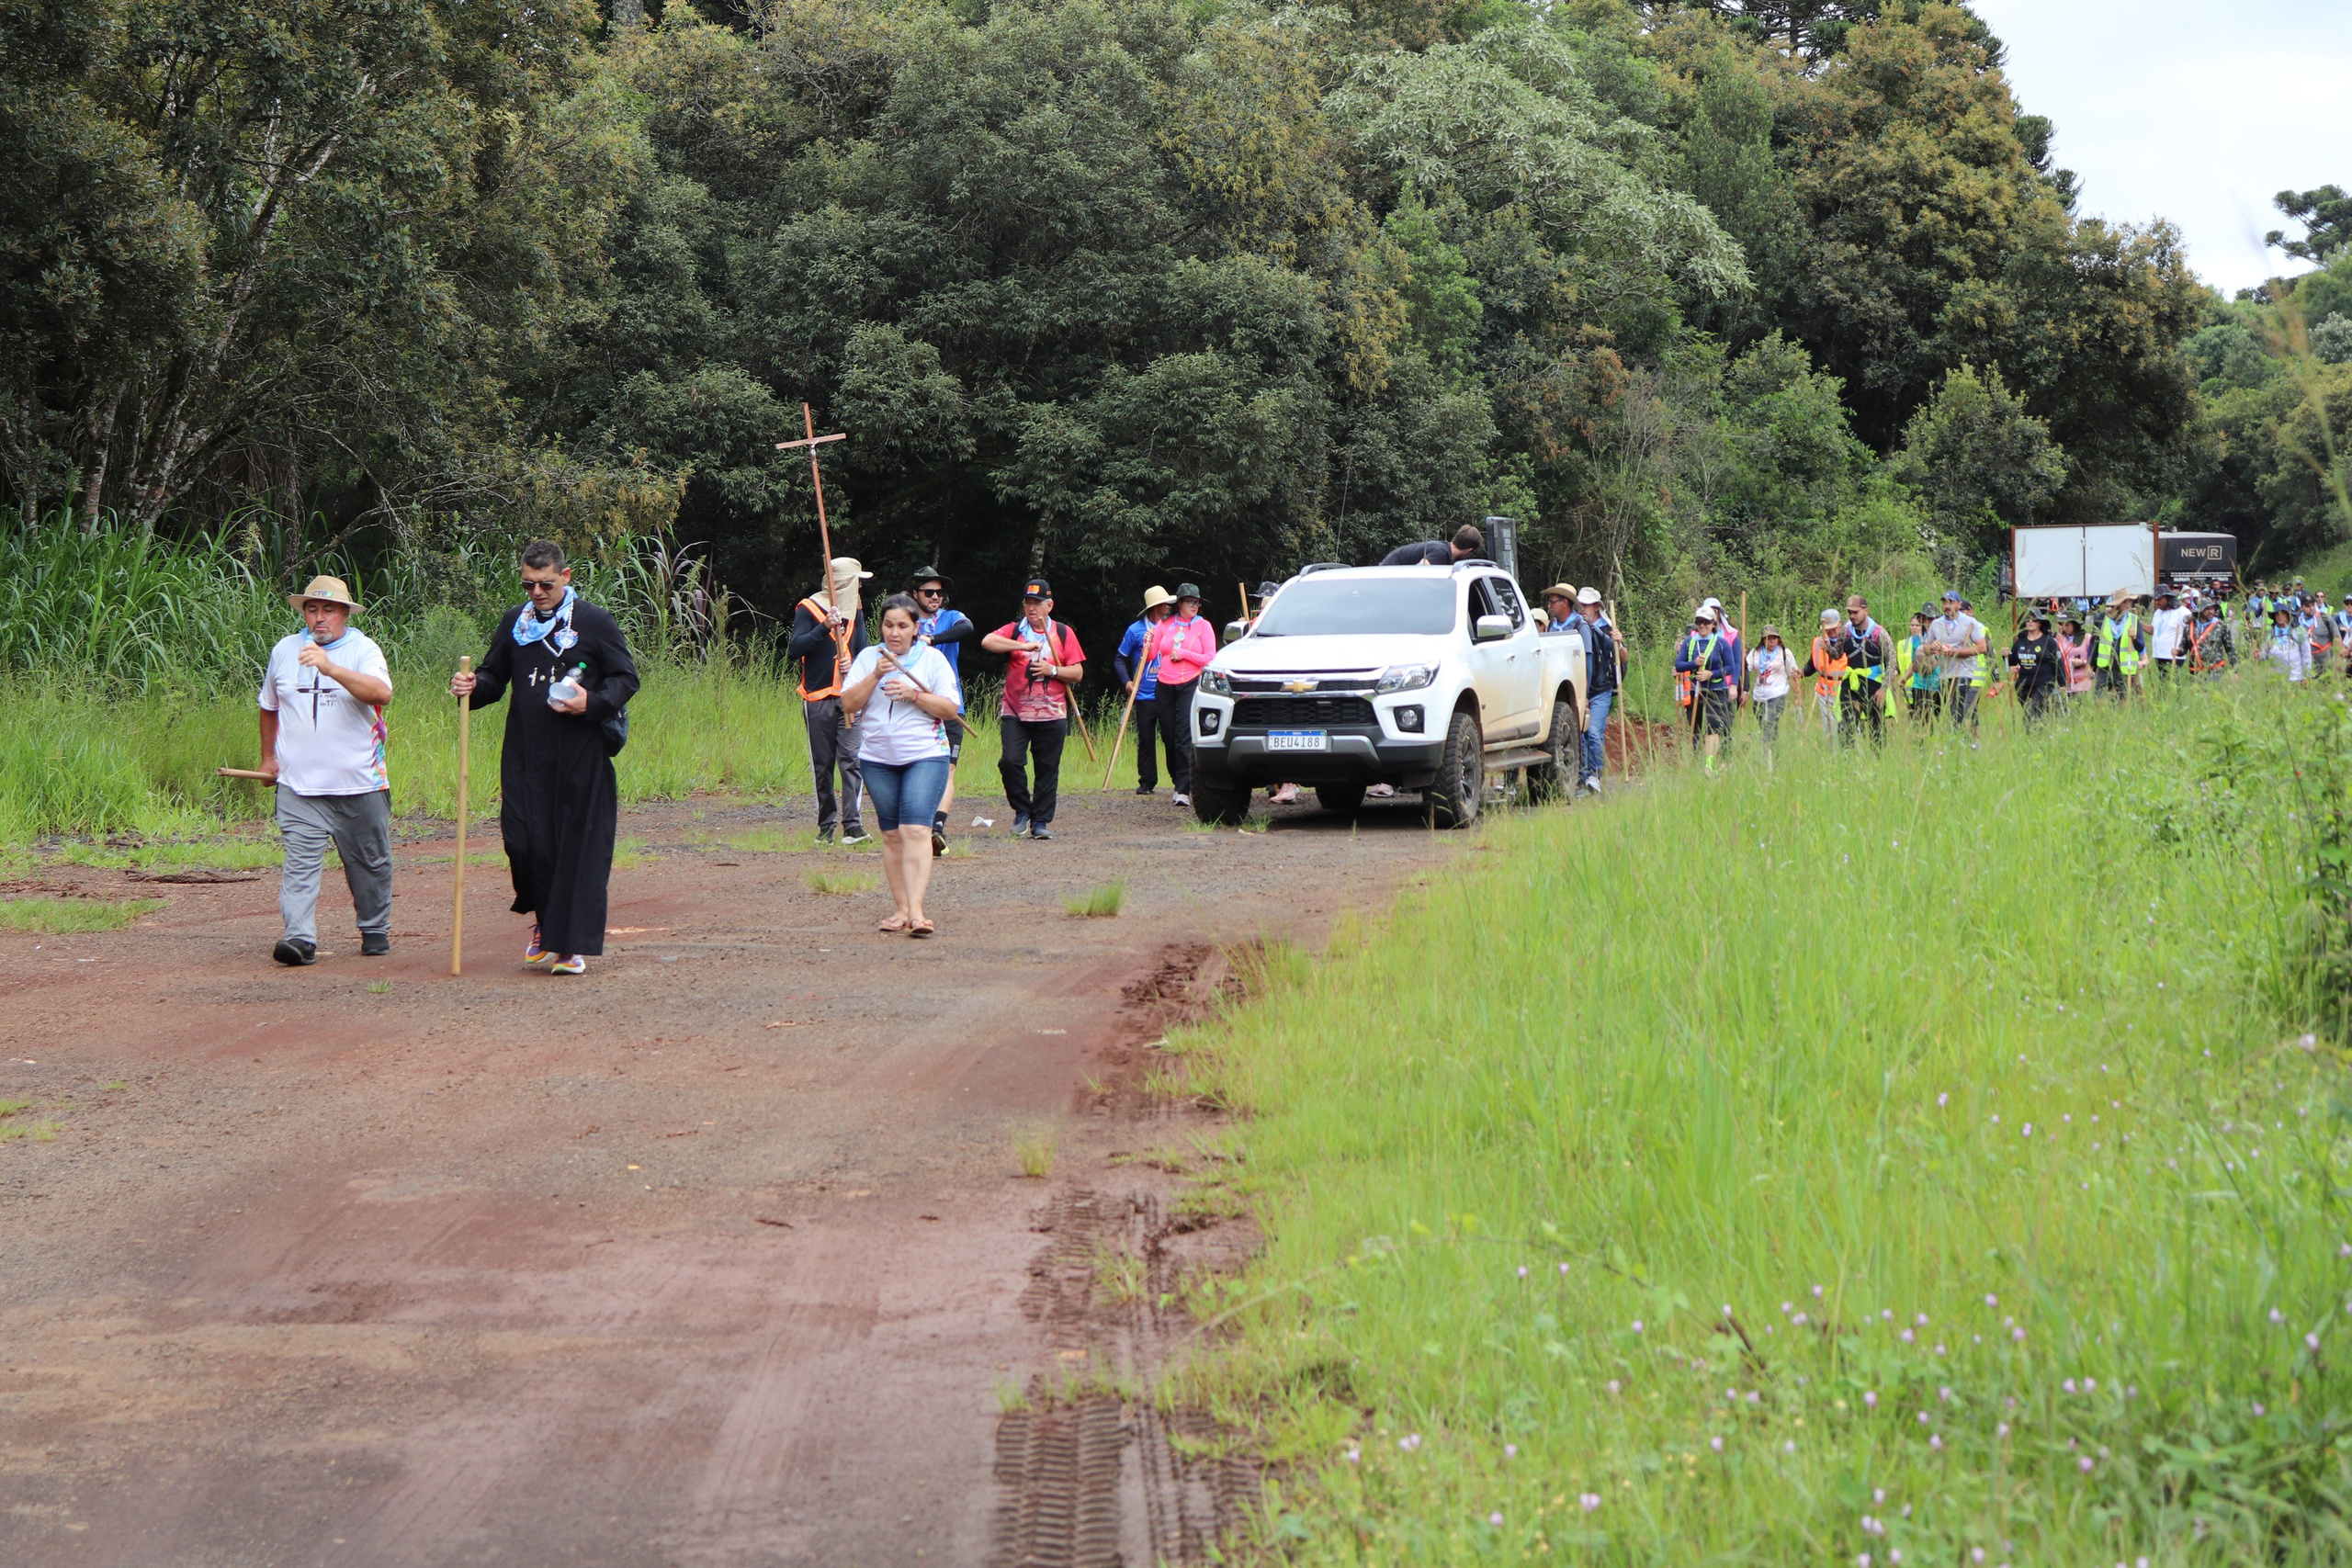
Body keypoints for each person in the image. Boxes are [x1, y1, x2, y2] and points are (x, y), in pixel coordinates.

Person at [450, 539, 640, 976]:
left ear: (566, 577)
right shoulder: (514, 624)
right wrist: (472, 686)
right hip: (525, 754)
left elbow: (625, 679)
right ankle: (543, 922)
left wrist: (590, 703)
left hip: (579, 756)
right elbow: (495, 676)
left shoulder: (594, 622)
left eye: (546, 585)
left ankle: (567, 945)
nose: (536, 593)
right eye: (528, 585)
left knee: (574, 847)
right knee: (524, 842)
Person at [256, 575, 395, 966]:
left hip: (359, 784)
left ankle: (374, 928)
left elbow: (381, 693)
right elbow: (269, 705)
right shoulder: (284, 650)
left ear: (345, 614)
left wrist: (330, 668)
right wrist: (269, 759)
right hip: (299, 787)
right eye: (312, 609)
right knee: (299, 863)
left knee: (370, 864)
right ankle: (299, 939)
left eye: (329, 610)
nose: (319, 618)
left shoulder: (363, 649)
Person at [841, 594, 963, 937]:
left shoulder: (933, 660)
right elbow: (848, 704)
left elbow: (951, 709)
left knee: (916, 830)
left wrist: (914, 695)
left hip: (925, 755)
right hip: (877, 759)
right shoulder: (868, 658)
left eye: (903, 626)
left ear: (915, 628)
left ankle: (918, 912)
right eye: (889, 625)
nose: (894, 633)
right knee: (892, 835)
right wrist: (873, 677)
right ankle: (900, 909)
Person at [982, 578, 1086, 840]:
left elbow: (1077, 672)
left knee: (1047, 768)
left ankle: (1040, 822)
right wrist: (1023, 646)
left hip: (1052, 713)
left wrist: (1052, 670)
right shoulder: (1016, 630)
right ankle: (1022, 810)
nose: (1032, 608)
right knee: (1010, 761)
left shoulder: (1063, 633)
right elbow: (987, 642)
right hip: (1015, 711)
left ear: (1049, 605)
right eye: (1028, 602)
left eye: (1037, 603)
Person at [789, 558, 874, 845]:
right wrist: (824, 626)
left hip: (849, 697)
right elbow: (795, 648)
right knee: (823, 763)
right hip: (818, 698)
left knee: (852, 760)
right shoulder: (808, 608)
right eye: (856, 580)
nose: (860, 585)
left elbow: (863, 650)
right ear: (843, 583)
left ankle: (853, 826)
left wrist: (855, 664)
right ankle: (826, 827)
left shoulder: (856, 611)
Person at [908, 567, 975, 857]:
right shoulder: (905, 621)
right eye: (928, 592)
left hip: (949, 706)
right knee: (915, 769)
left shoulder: (950, 617)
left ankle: (937, 827)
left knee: (948, 769)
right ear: (915, 595)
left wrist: (931, 640)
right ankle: (915, 825)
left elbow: (968, 628)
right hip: (915, 707)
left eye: (939, 592)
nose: (935, 597)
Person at [1143, 583, 1217, 807]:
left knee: (1184, 735)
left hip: (1190, 684)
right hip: (1164, 684)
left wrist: (1183, 653)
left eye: (1197, 602)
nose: (1194, 606)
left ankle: (1185, 788)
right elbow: (1151, 655)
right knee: (1168, 735)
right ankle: (1178, 781)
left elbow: (1210, 657)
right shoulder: (1165, 624)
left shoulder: (1203, 626)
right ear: (1180, 604)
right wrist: (1148, 642)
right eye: (1190, 602)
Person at [1114, 586, 1179, 795]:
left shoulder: (1174, 627)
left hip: (1168, 691)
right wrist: (1127, 681)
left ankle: (1179, 780)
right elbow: (1120, 659)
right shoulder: (1135, 630)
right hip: (1144, 694)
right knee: (1146, 739)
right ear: (1155, 607)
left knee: (1172, 737)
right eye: (1165, 604)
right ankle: (1147, 781)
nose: (1169, 607)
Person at [1820, 595, 1894, 746]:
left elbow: (1892, 664)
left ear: (1865, 610)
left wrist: (1883, 689)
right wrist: (1828, 648)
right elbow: (1837, 654)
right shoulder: (1846, 630)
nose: (1852, 616)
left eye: (1856, 612)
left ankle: (1878, 760)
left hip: (1873, 684)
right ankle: (1847, 760)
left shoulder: (1879, 633)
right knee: (1847, 724)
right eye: (1849, 613)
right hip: (1851, 684)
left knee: (1876, 728)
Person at [1674, 605, 1738, 773]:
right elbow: (1679, 665)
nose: (1702, 625)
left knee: (1713, 727)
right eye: (1699, 622)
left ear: (1713, 624)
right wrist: (1693, 664)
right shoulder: (1690, 642)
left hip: (1716, 691)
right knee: (1694, 727)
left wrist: (1711, 673)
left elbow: (1730, 667)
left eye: (1706, 622)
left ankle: (1709, 764)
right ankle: (1694, 761)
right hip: (1695, 691)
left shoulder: (1722, 643)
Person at [1572, 587, 1621, 792]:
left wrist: (1619, 643)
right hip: (1580, 690)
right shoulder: (1575, 627)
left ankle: (1596, 774)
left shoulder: (1608, 628)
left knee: (1593, 732)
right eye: (1580, 605)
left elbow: (1623, 658)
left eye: (1586, 605)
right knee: (1580, 734)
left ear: (1596, 607)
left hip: (1601, 689)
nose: (1582, 609)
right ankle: (1583, 776)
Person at [1924, 590, 1988, 730]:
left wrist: (1956, 652)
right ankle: (1958, 737)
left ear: (1959, 604)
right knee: (1944, 711)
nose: (1947, 606)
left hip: (1964, 672)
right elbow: (1926, 649)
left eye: (1951, 602)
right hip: (1944, 674)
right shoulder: (1936, 624)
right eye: (1945, 603)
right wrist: (1932, 647)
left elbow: (1982, 647)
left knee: (1956, 710)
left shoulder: (1970, 622)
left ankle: (1957, 737)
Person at [1747, 624, 1798, 746]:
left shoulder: (1785, 653)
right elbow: (1745, 671)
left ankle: (1766, 752)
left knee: (1769, 721)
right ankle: (1775, 751)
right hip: (1759, 696)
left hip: (1778, 694)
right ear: (1763, 640)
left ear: (1778, 639)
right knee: (1766, 726)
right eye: (1768, 638)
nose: (1772, 641)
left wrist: (1797, 696)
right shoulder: (1755, 653)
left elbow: (1793, 675)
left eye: (1774, 638)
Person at [2007, 612, 2061, 722]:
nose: (2030, 622)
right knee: (2031, 711)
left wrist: (2063, 683)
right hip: (2023, 685)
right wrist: (2006, 656)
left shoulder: (2049, 641)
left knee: (2033, 710)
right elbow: (2012, 662)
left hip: (2044, 684)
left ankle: (2033, 733)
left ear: (2040, 623)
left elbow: (2058, 663)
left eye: (2034, 620)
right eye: (2028, 620)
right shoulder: (2020, 641)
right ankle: (2040, 733)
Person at [2091, 591, 2144, 699]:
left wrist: (2134, 639)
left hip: (2124, 669)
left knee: (2122, 701)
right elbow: (2093, 644)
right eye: (2125, 602)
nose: (2128, 604)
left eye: (2128, 601)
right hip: (2104, 668)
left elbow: (2141, 647)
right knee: (2099, 699)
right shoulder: (2101, 618)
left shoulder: (2134, 620)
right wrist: (2089, 664)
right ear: (2116, 605)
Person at [1805, 608, 1845, 739]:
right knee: (1830, 733)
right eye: (1827, 629)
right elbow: (1812, 665)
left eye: (1833, 627)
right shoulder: (1818, 643)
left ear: (1841, 623)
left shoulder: (1850, 640)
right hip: (1825, 695)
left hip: (1846, 694)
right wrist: (1801, 673)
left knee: (1849, 731)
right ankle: (1833, 757)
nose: (1831, 631)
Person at [1898, 612, 1941, 723]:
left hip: (1937, 685)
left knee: (1938, 720)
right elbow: (1914, 662)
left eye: (1932, 619)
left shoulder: (1942, 637)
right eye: (1926, 619)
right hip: (1919, 685)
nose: (1929, 622)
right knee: (1921, 721)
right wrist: (1905, 678)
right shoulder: (1917, 640)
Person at [1380, 523, 1484, 567]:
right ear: (1469, 550)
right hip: (1389, 571)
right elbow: (1421, 568)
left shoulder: (1444, 549)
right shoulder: (1441, 553)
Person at [2146, 587, 2191, 679]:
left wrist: (2182, 648)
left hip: (2173, 655)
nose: (2157, 602)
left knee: (2171, 680)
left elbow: (2192, 630)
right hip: (2159, 655)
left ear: (2168, 598)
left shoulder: (2182, 612)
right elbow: (2153, 630)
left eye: (2159, 599)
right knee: (2163, 680)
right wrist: (2139, 623)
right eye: (2156, 600)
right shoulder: (2158, 613)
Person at [2188, 594, 2236, 676]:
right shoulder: (2190, 627)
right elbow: (2183, 648)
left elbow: (2230, 648)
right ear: (2200, 611)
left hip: (2216, 670)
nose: (2211, 612)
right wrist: (2178, 651)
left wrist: (2235, 670)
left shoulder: (2220, 626)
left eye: (2212, 609)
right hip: (2196, 671)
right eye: (2207, 609)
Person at [2055, 614, 2096, 705]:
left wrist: (2082, 662)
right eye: (2062, 625)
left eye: (2067, 625)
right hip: (2066, 682)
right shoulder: (2059, 639)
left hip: (2083, 681)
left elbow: (2093, 657)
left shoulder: (2087, 638)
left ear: (2074, 624)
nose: (2064, 628)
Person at [2266, 604, 2312, 682]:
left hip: (2296, 677)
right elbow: (2265, 653)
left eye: (2283, 614)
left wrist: (2306, 676)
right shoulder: (2270, 633)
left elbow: (2306, 654)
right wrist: (2258, 655)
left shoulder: (2299, 631)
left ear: (2288, 615)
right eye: (2277, 614)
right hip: (2276, 678)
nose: (2280, 616)